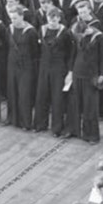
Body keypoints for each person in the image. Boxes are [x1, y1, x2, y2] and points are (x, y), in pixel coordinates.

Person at [67, 3, 103, 143]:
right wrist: (70, 71)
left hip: (91, 74)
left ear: (86, 31)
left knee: (90, 106)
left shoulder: (99, 37)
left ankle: (92, 135)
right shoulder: (77, 34)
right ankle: (74, 130)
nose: (79, 38)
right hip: (78, 72)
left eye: (80, 35)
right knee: (75, 103)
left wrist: (102, 74)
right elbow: (73, 53)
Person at [37, 8, 73, 136]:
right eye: (50, 18)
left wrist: (69, 71)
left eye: (55, 18)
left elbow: (70, 53)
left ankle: (57, 128)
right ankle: (41, 124)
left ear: (59, 18)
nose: (52, 21)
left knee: (57, 98)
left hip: (59, 67)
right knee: (42, 95)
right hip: (44, 66)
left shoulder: (66, 33)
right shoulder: (42, 30)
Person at [5, 6, 40, 129]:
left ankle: (26, 122)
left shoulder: (31, 31)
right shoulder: (9, 29)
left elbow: (35, 51)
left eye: (15, 18)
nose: (13, 21)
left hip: (26, 66)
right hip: (12, 64)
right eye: (11, 18)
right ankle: (13, 119)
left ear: (21, 16)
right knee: (12, 91)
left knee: (24, 94)